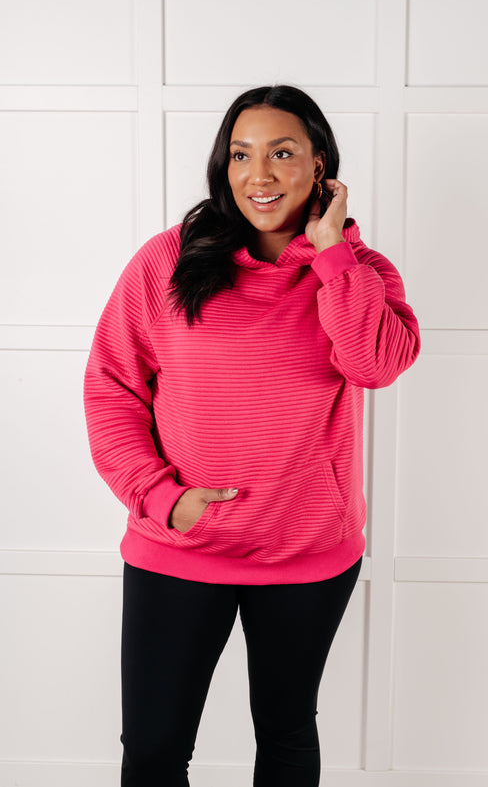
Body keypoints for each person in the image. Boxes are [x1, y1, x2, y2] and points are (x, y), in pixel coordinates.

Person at [84, 84, 420, 787]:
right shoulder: (166, 261)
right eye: (240, 154)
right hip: (176, 549)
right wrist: (159, 497)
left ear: (321, 166)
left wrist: (331, 257)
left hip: (305, 552)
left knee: (286, 733)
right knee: (151, 749)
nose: (257, 175)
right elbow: (112, 387)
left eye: (282, 153)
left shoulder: (360, 274)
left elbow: (374, 364)